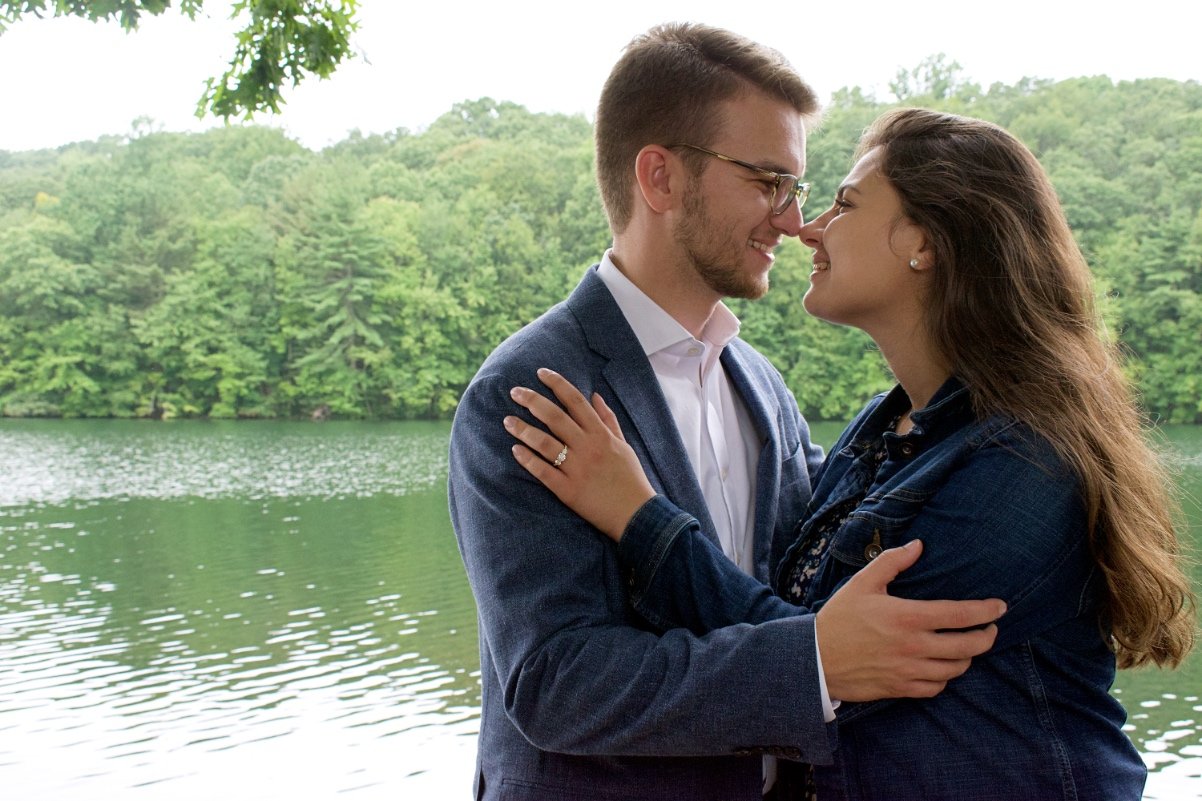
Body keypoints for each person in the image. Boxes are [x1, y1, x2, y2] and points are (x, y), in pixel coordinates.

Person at [505, 108, 1198, 800]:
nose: (807, 226)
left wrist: (638, 514)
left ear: (922, 241)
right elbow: (812, 636)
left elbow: (840, 662)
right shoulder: (880, 428)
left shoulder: (1025, 465)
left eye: (844, 203)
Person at [449, 23, 1007, 801]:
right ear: (660, 177)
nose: (790, 219)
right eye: (766, 180)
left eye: (797, 189)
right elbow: (557, 683)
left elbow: (790, 600)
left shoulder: (762, 386)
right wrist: (813, 663)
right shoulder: (532, 389)